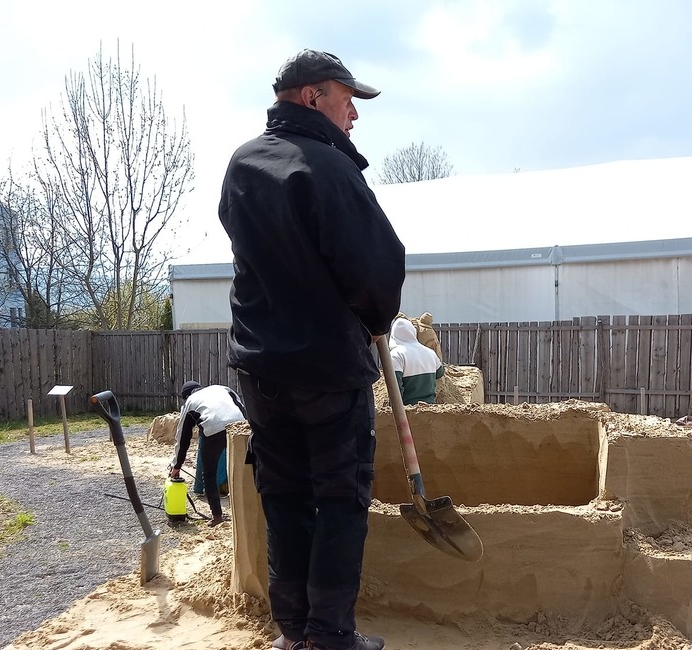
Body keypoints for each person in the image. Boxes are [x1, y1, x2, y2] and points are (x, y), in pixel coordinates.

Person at [218, 49, 405, 650]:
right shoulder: (329, 168)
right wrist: (374, 317)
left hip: (261, 372)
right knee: (341, 498)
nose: (355, 113)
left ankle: (293, 632)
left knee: (285, 497)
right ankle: (330, 635)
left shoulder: (242, 164)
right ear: (311, 97)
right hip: (327, 368)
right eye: (347, 99)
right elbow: (377, 268)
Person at [168, 380, 246, 527]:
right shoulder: (222, 388)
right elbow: (240, 406)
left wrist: (177, 465)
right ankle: (248, 509)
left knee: (209, 474)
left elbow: (183, 436)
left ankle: (217, 516)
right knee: (245, 468)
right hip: (240, 426)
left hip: (213, 429)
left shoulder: (190, 402)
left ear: (186, 396)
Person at [388, 317, 446, 405]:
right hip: (430, 406)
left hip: (408, 408)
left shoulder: (396, 355)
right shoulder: (430, 352)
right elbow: (440, 372)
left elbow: (395, 387)